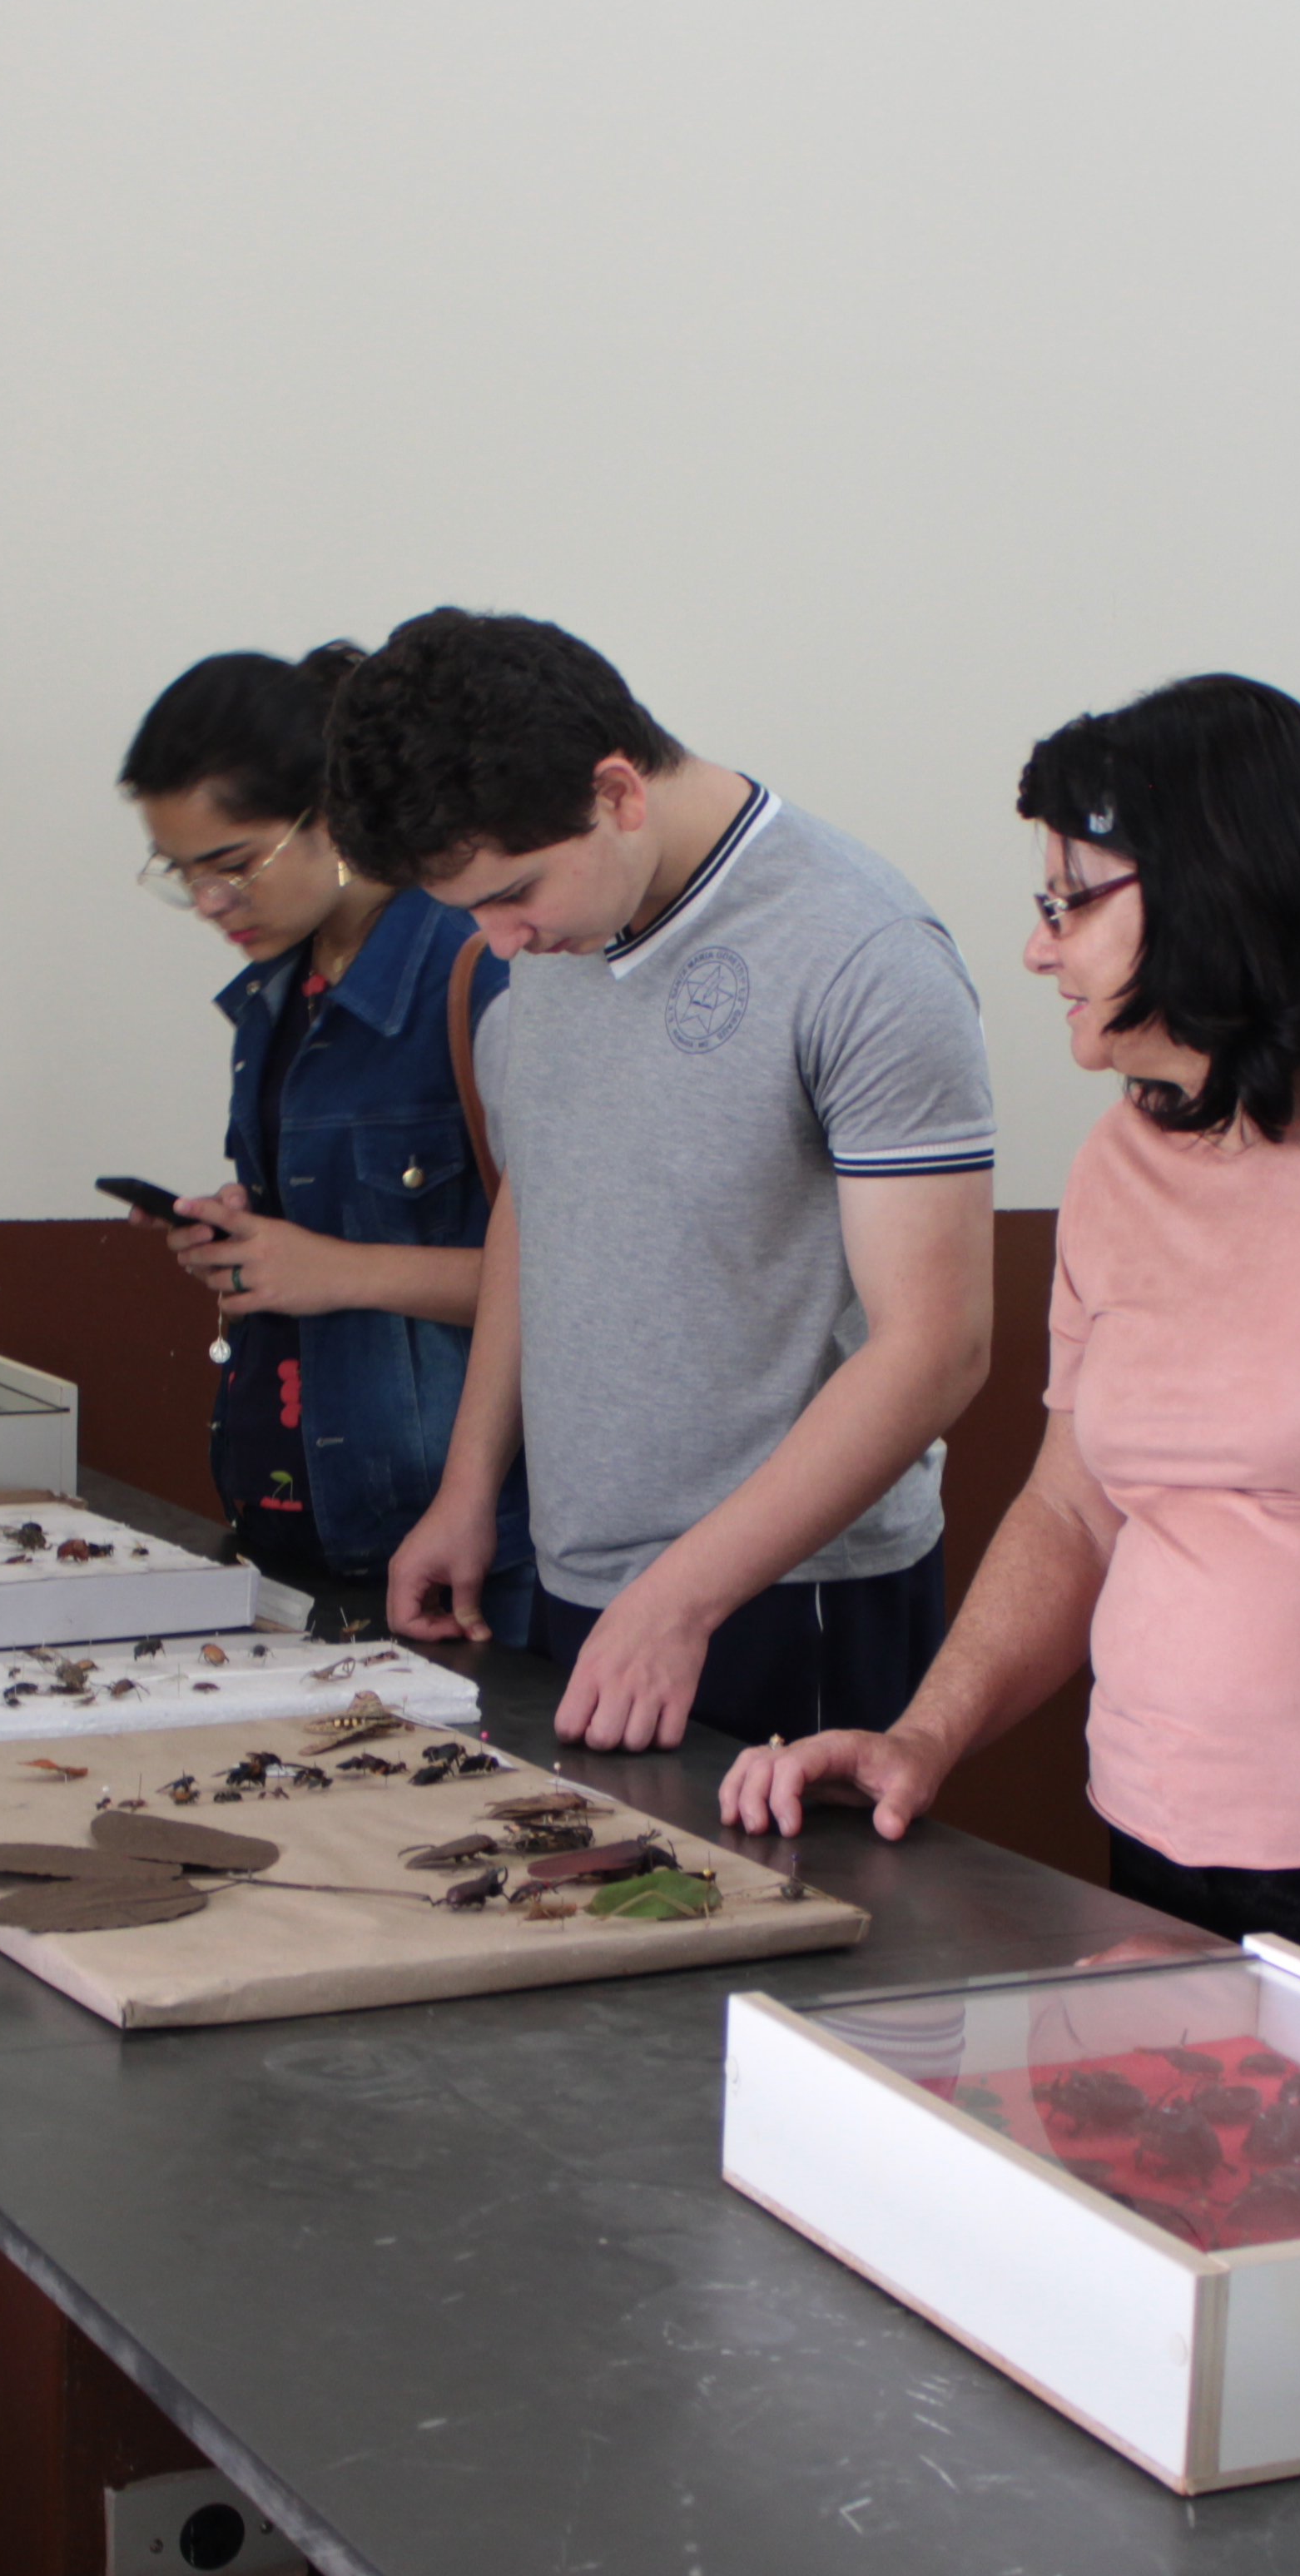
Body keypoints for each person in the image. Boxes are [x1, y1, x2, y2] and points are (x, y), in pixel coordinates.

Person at [718, 676, 1300, 1961]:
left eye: (1071, 903)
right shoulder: (1122, 1154)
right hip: (1152, 1837)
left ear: (1218, 884)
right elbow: (1074, 1507)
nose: (1041, 950)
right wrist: (925, 1736)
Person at [324, 608, 995, 1750]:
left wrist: (684, 1597)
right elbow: (542, 1202)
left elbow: (938, 1349)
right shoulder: (556, 931)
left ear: (618, 793)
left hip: (792, 1591)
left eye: (513, 894)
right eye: (470, 910)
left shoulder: (864, 951)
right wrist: (470, 1485)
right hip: (583, 1575)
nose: (499, 940)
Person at [115, 642, 528, 1635]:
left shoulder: (485, 969)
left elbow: (580, 1281)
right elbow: (320, 1235)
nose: (210, 903)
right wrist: (248, 1241)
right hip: (303, 1530)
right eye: (182, 875)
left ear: (332, 815)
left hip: (471, 1557)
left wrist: (332, 1271)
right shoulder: (277, 994)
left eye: (233, 866)